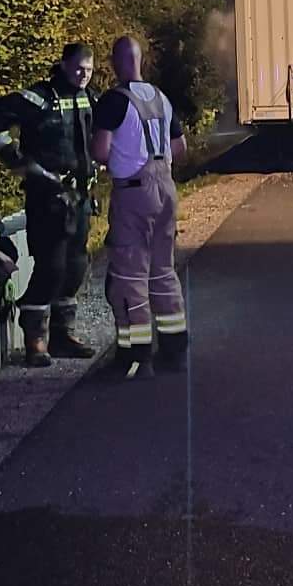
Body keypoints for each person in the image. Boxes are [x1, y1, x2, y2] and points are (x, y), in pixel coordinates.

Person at [0, 42, 96, 367]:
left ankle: (62, 335)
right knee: (51, 267)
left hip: (80, 197)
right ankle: (35, 339)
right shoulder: (38, 98)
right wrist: (13, 158)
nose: (83, 75)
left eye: (88, 69)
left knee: (75, 267)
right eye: (78, 68)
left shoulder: (89, 97)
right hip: (47, 198)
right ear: (63, 65)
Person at [91, 35, 188, 377]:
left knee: (129, 277)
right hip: (166, 190)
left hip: (133, 193)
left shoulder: (113, 101)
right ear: (140, 60)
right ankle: (174, 351)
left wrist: (123, 157)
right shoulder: (161, 98)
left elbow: (100, 151)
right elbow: (180, 146)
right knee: (163, 271)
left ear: (116, 62)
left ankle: (136, 357)